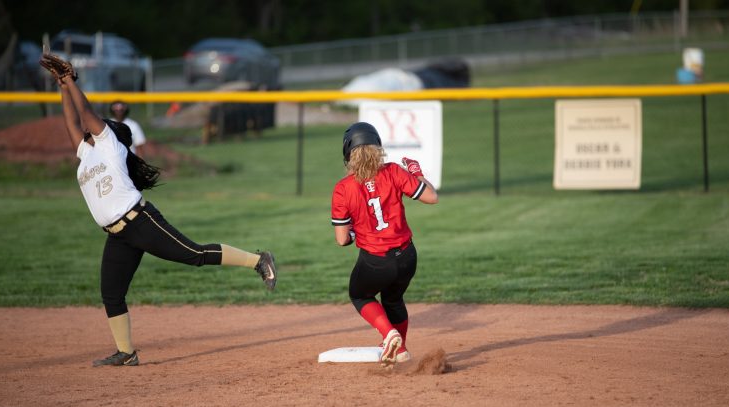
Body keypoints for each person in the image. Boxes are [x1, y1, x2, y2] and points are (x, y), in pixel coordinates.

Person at [39, 53, 277, 367]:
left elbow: (84, 113)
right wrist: (61, 85)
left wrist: (71, 79)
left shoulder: (111, 144)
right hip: (117, 236)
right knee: (111, 294)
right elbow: (71, 120)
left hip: (141, 222)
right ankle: (126, 353)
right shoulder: (87, 154)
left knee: (194, 254)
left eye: (101, 126)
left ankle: (259, 260)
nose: (95, 127)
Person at [330, 122, 438, 366]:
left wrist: (358, 231)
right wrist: (416, 173)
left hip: (376, 261)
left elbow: (341, 239)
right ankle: (401, 351)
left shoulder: (343, 189)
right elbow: (432, 197)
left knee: (359, 295)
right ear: (378, 147)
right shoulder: (394, 172)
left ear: (348, 152)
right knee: (393, 300)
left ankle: (389, 335)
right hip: (408, 256)